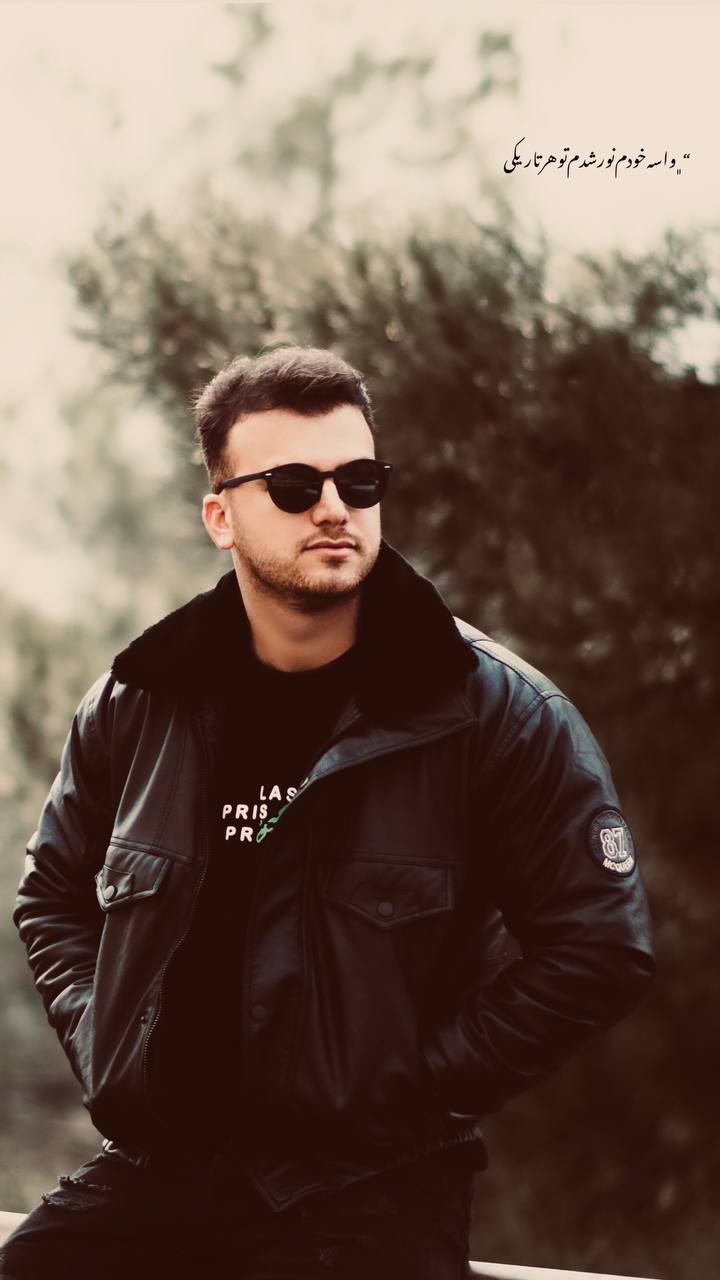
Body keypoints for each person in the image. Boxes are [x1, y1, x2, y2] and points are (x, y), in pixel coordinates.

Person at [2, 346, 655, 1280]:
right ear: (221, 517)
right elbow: (52, 895)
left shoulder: (497, 712)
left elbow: (600, 948)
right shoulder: (141, 699)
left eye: (360, 480)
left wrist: (409, 1088)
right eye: (295, 485)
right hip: (156, 1168)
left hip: (370, 1184)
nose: (335, 507)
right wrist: (113, 1046)